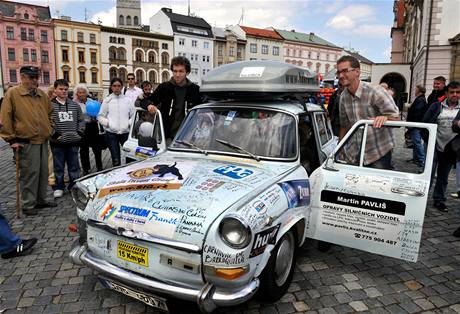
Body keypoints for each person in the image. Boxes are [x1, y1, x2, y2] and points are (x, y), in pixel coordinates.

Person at [0, 66, 56, 216]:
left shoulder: (41, 95)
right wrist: (11, 139)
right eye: (31, 77)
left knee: (43, 172)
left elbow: (51, 113)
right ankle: (28, 204)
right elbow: (5, 118)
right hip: (25, 141)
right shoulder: (13, 94)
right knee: (29, 173)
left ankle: (40, 200)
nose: (34, 80)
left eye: (36, 77)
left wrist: (50, 128)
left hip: (43, 139)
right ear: (23, 77)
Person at [337, 55, 400, 169]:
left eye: (345, 71)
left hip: (378, 152)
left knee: (378, 185)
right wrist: (339, 148)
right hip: (355, 153)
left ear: (357, 72)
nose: (340, 75)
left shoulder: (375, 91)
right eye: (339, 72)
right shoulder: (343, 97)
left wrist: (385, 118)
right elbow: (344, 125)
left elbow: (396, 118)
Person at [141, 56, 202, 141]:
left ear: (187, 72)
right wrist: (149, 106)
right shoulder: (164, 87)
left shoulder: (195, 90)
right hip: (167, 135)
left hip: (188, 135)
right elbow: (144, 101)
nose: (177, 75)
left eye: (181, 71)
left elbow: (205, 106)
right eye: (175, 71)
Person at [423, 81, 460, 211]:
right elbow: (425, 124)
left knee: (443, 177)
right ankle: (421, 200)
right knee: (428, 175)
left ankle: (439, 200)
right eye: (452, 92)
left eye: (458, 92)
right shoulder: (436, 106)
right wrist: (428, 141)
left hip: (450, 149)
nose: (455, 95)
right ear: (446, 93)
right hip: (434, 146)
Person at [50, 79, 85, 198]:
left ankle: (73, 185)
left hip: (73, 141)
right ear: (55, 90)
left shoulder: (74, 105)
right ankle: (58, 187)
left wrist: (80, 132)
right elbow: (46, 121)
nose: (64, 91)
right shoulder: (50, 105)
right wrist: (54, 134)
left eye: (66, 89)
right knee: (58, 166)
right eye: (61, 89)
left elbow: (81, 120)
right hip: (57, 142)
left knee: (74, 165)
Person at [98, 77, 135, 167]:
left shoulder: (127, 100)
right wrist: (108, 123)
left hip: (125, 133)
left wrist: (129, 123)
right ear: (111, 87)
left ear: (122, 87)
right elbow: (100, 116)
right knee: (116, 160)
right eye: (114, 86)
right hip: (111, 134)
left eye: (119, 86)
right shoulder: (107, 100)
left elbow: (134, 115)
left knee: (130, 159)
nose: (117, 88)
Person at [73, 84, 104, 175]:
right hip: (82, 128)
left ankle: (99, 166)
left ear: (86, 93)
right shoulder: (74, 103)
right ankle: (86, 168)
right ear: (76, 94)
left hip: (93, 126)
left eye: (83, 92)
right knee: (84, 150)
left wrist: (96, 117)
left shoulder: (92, 101)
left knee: (97, 148)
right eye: (79, 92)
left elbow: (97, 112)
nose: (81, 94)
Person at [406, 85, 428, 167]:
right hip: (414, 124)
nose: (415, 91)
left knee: (417, 142)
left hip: (416, 124)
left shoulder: (421, 100)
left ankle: (422, 159)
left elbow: (417, 113)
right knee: (415, 142)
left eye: (416, 90)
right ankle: (415, 158)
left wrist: (412, 124)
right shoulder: (420, 99)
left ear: (419, 91)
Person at [46, 85, 56, 186]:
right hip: (51, 133)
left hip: (61, 133)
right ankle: (51, 176)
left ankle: (60, 174)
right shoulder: (48, 103)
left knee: (61, 156)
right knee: (51, 156)